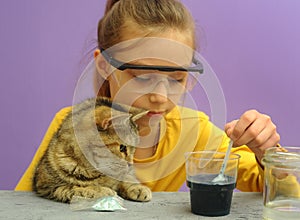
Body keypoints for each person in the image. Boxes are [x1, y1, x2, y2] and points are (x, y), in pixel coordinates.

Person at [16, 0, 280, 193]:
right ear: (105, 66)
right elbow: (23, 205)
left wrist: (266, 153)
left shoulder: (194, 131)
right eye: (142, 77)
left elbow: (273, 187)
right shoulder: (75, 127)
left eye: (177, 79)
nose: (160, 97)